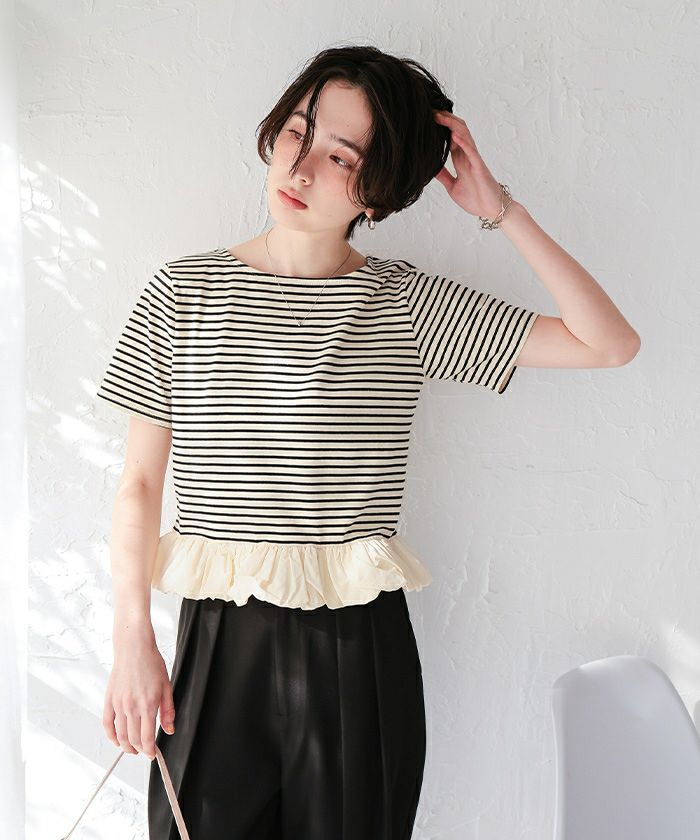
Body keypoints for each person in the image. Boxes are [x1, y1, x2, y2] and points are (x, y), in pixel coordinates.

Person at [97, 44, 640, 840]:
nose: (301, 166)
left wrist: (499, 210)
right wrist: (131, 642)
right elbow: (139, 487)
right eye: (297, 131)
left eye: (341, 156)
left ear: (380, 192)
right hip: (216, 641)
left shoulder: (403, 304)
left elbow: (609, 343)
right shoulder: (185, 290)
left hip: (357, 652)